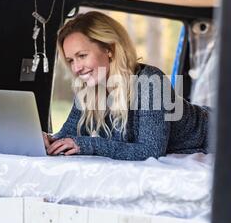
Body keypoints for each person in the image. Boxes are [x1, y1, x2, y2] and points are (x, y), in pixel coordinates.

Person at [43, 11, 211, 161]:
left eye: (82, 55)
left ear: (109, 49)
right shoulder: (88, 89)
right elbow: (69, 135)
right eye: (71, 60)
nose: (76, 68)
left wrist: (88, 145)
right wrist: (48, 140)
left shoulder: (150, 81)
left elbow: (150, 150)